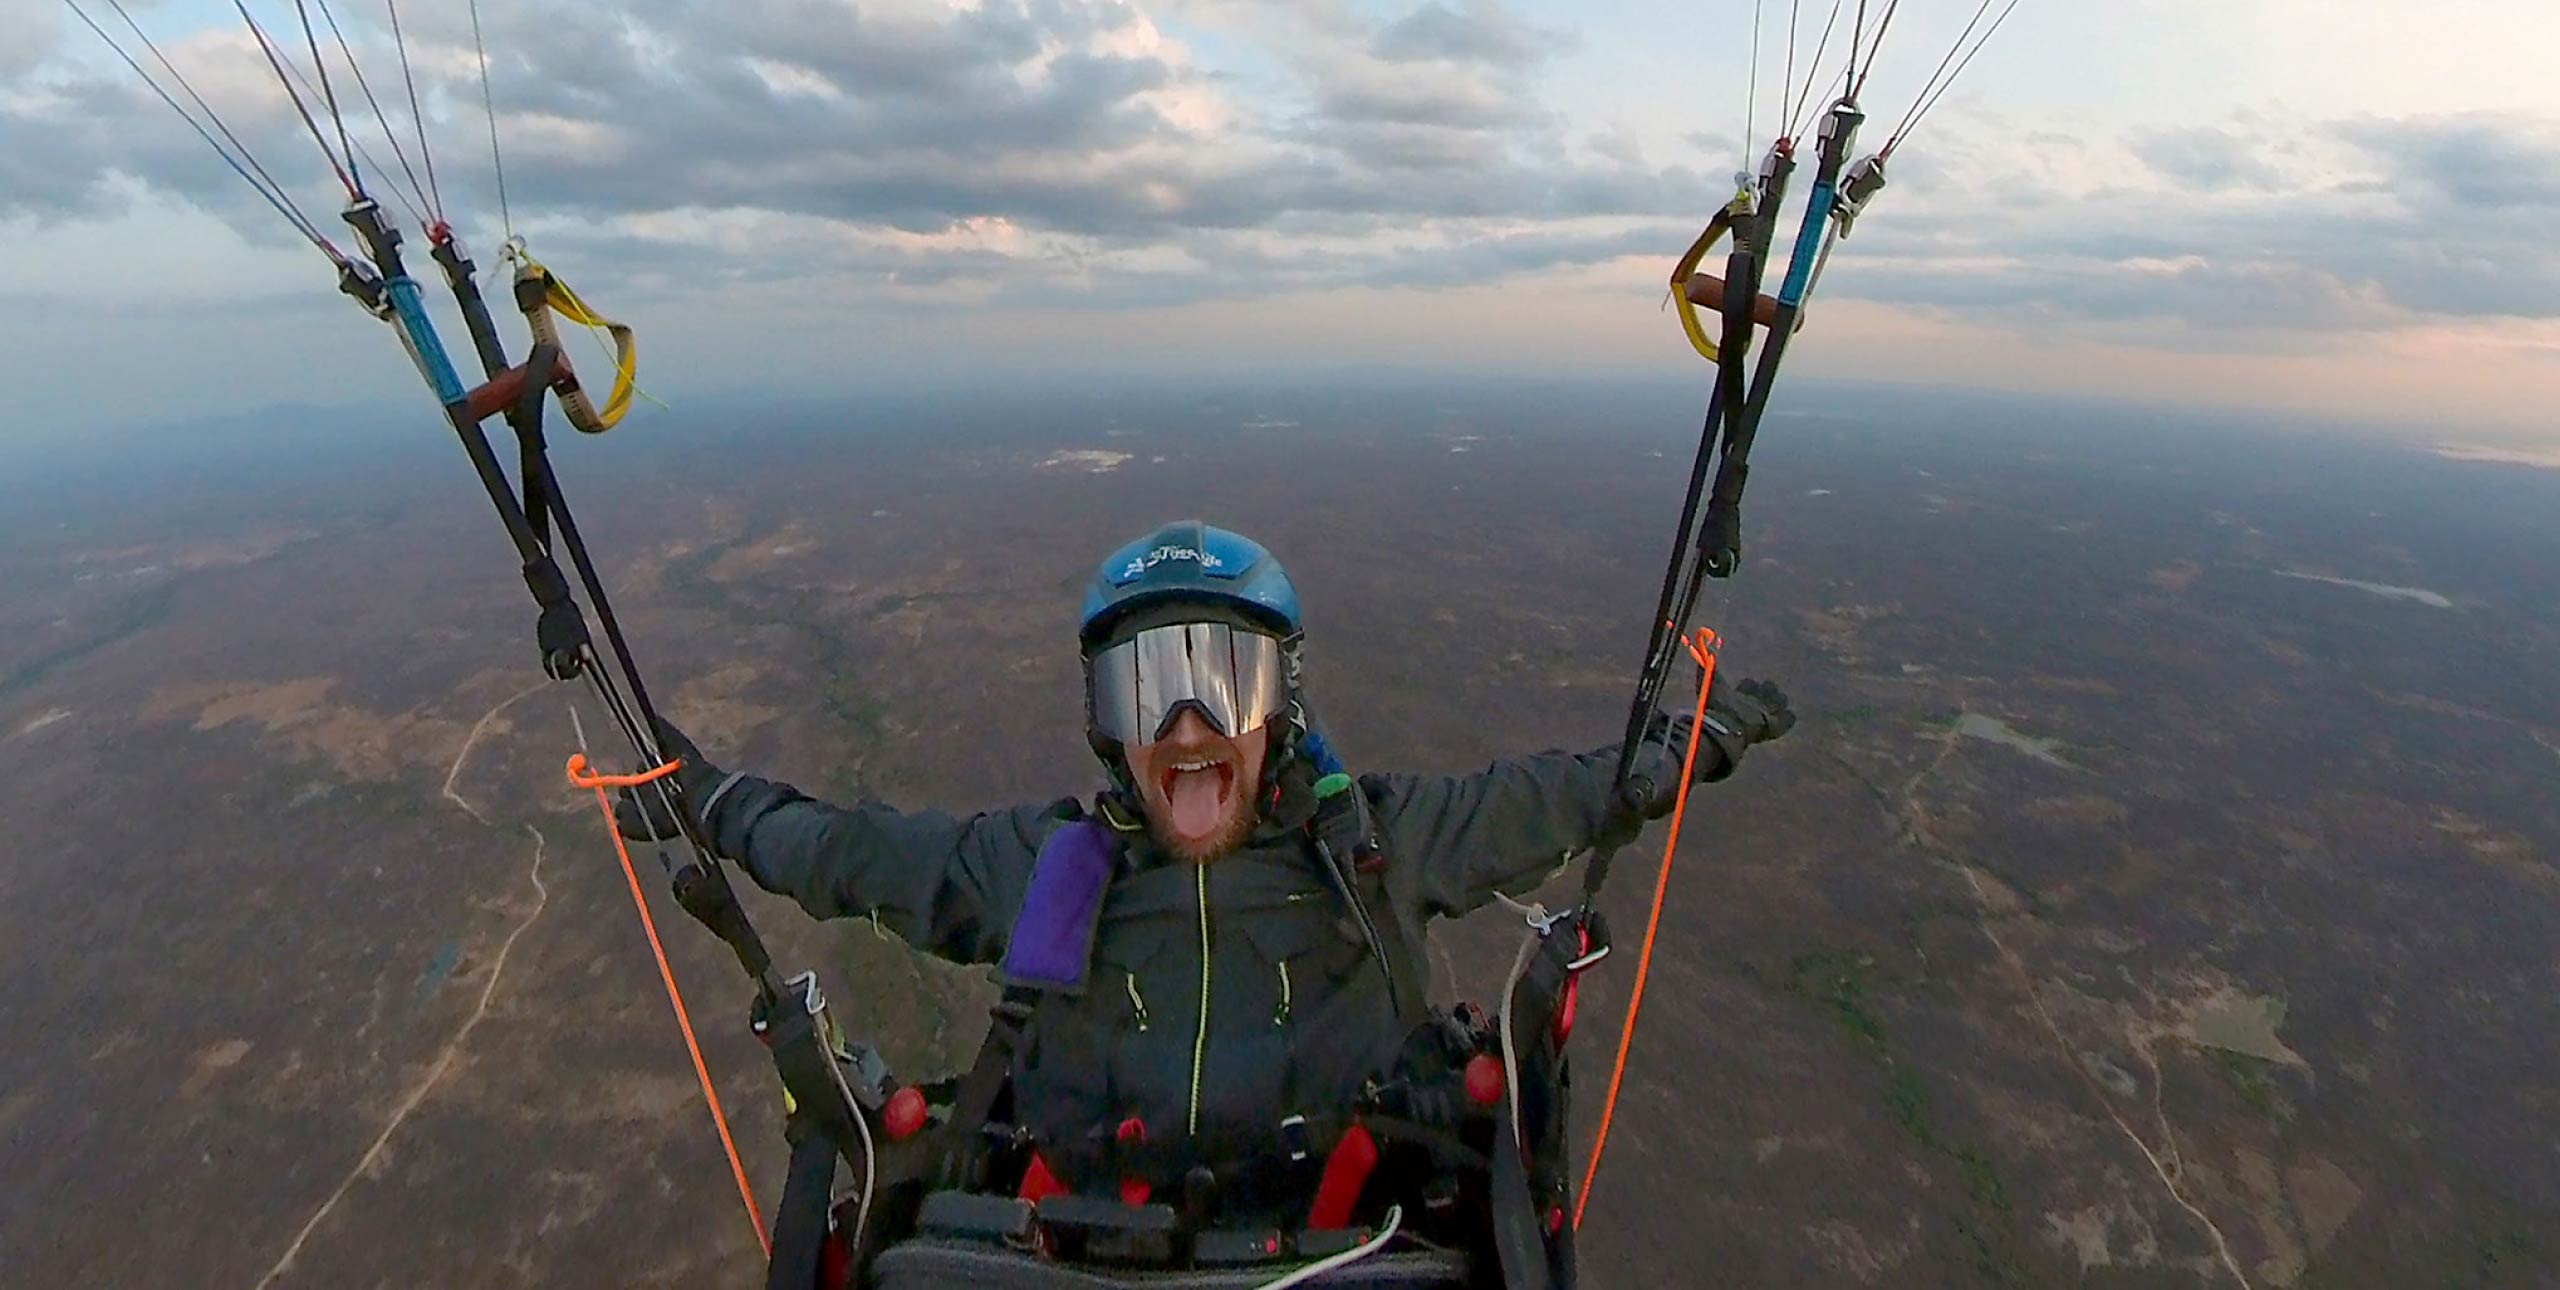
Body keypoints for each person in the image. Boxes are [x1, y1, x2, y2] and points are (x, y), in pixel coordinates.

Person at [621, 520, 1792, 1227]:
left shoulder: (1367, 852)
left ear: (1281, 711)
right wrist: (713, 803)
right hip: (1083, 1238)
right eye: (1146, 688)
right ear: (1107, 728)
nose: (1188, 721)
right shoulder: (1050, 871)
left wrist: (1676, 753)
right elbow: (851, 855)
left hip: (1346, 1230)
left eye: (1226, 679)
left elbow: (1546, 799)